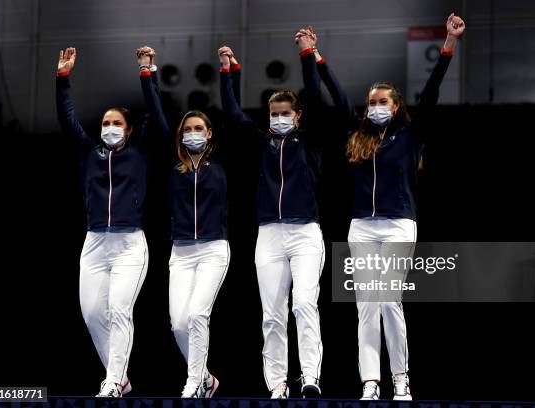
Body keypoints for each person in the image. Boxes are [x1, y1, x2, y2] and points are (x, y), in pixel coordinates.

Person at [308, 13, 465, 400]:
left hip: (398, 225)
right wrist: (317, 58)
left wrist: (448, 43)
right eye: (371, 102)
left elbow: (430, 92)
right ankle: (370, 382)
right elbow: (338, 99)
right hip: (362, 226)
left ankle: (401, 378)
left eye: (382, 102)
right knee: (366, 306)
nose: (374, 106)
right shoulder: (358, 136)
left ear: (394, 107)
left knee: (388, 298)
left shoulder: (411, 136)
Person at [218, 31, 326, 399]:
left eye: (285, 114)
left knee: (305, 304)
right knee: (272, 314)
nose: (279, 119)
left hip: (305, 233)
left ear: (297, 116)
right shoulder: (262, 142)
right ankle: (277, 383)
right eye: (274, 114)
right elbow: (232, 114)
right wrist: (228, 72)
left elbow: (314, 91)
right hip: (269, 236)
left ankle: (309, 376)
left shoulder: (309, 139)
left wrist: (307, 53)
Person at [55, 47, 150, 398]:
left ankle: (112, 382)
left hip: (129, 244)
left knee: (119, 310)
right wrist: (63, 78)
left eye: (117, 124)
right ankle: (119, 377)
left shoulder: (140, 153)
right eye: (106, 123)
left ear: (128, 130)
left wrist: (147, 72)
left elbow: (156, 110)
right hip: (94, 243)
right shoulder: (89, 152)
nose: (109, 128)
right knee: (94, 314)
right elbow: (67, 119)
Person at [136, 46, 228, 398]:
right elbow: (157, 114)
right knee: (177, 323)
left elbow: (233, 112)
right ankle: (206, 377)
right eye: (187, 128)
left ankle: (193, 382)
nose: (192, 132)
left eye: (198, 128)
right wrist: (148, 73)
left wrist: (226, 71)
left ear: (209, 134)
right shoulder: (174, 167)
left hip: (213, 250)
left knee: (197, 316)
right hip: (181, 252)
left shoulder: (221, 163)